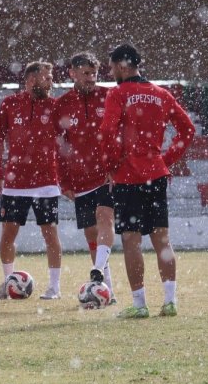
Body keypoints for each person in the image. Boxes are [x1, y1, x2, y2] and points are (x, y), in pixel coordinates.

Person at [99, 43, 195, 319]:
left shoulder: (118, 93)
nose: (111, 72)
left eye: (112, 67)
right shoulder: (161, 94)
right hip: (155, 174)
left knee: (131, 240)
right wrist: (165, 160)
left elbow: (107, 131)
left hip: (128, 176)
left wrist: (111, 165)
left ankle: (140, 304)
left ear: (122, 65)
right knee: (162, 240)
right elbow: (187, 130)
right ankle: (170, 301)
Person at [0, 61, 63, 300]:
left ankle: (54, 288)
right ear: (32, 80)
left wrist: (66, 176)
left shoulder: (55, 106)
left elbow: (66, 143)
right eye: (47, 77)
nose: (51, 82)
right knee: (8, 235)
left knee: (50, 234)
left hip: (47, 182)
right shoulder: (10, 104)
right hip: (15, 183)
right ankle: (8, 283)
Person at [54, 52, 116, 301]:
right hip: (80, 180)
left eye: (94, 74)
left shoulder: (109, 96)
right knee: (91, 234)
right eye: (86, 74)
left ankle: (98, 270)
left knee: (105, 218)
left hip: (106, 175)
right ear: (72, 73)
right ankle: (107, 289)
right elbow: (59, 146)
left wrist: (117, 166)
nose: (91, 78)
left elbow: (121, 134)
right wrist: (64, 181)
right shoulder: (62, 104)